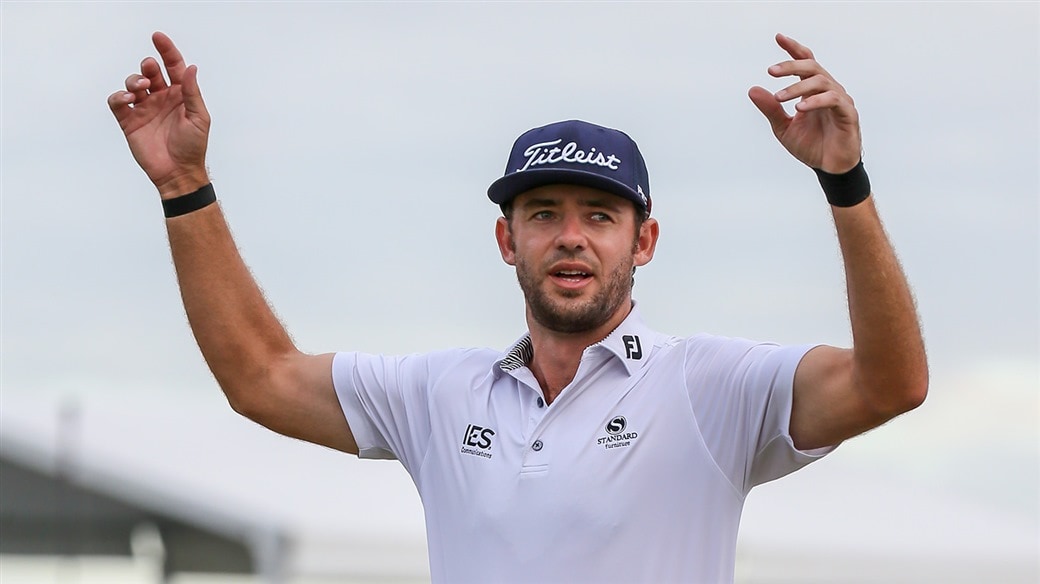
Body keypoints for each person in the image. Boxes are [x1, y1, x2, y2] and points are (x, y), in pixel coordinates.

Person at [109, 31, 928, 583]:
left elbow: (891, 384)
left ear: (643, 244)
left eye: (600, 217)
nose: (571, 239)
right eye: (544, 215)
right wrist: (185, 188)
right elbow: (260, 378)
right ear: (507, 241)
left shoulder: (711, 385)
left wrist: (843, 182)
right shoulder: (442, 393)